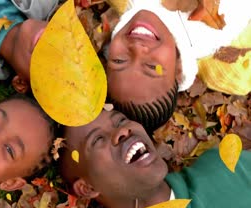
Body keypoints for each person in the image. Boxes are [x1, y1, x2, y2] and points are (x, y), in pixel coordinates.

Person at [60, 109, 251, 208]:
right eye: (98, 139)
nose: (122, 131)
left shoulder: (225, 166)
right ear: (88, 188)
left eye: (120, 120)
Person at [105, 0, 250, 132]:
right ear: (178, 70)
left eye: (119, 61)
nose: (137, 48)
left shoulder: (127, 4)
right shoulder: (215, 32)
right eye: (152, 66)